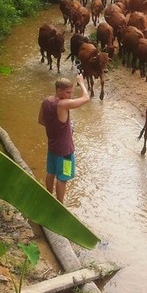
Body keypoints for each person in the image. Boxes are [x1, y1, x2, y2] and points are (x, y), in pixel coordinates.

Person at [38, 73, 90, 203]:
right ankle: (60, 205)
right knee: (63, 178)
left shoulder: (45, 101)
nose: (70, 95)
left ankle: (48, 199)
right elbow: (86, 98)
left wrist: (57, 127)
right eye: (68, 92)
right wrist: (82, 82)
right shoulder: (63, 104)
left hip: (53, 147)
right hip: (66, 151)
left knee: (51, 172)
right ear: (58, 90)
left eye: (71, 92)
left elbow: (41, 120)